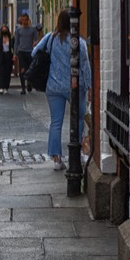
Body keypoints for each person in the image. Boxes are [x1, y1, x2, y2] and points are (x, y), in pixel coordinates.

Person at [31, 10, 92, 171]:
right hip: (74, 87)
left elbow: (34, 52)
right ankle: (76, 153)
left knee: (56, 122)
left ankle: (57, 159)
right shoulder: (79, 42)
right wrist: (89, 87)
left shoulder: (50, 38)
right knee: (79, 119)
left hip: (53, 86)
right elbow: (85, 66)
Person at [13, 13, 38, 95]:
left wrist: (35, 42)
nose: (24, 21)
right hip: (21, 52)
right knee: (22, 70)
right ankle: (23, 88)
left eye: (25, 20)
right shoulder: (18, 30)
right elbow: (16, 42)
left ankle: (29, 83)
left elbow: (37, 39)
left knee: (30, 70)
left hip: (30, 52)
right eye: (22, 20)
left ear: (28, 20)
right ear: (21, 20)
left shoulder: (33, 29)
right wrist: (14, 54)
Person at [0, 27, 15, 94]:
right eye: (3, 30)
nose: (4, 31)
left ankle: (6, 87)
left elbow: (13, 48)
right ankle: (1, 87)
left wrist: (14, 56)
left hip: (8, 56)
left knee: (8, 72)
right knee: (1, 72)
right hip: (1, 57)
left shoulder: (11, 39)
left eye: (5, 30)